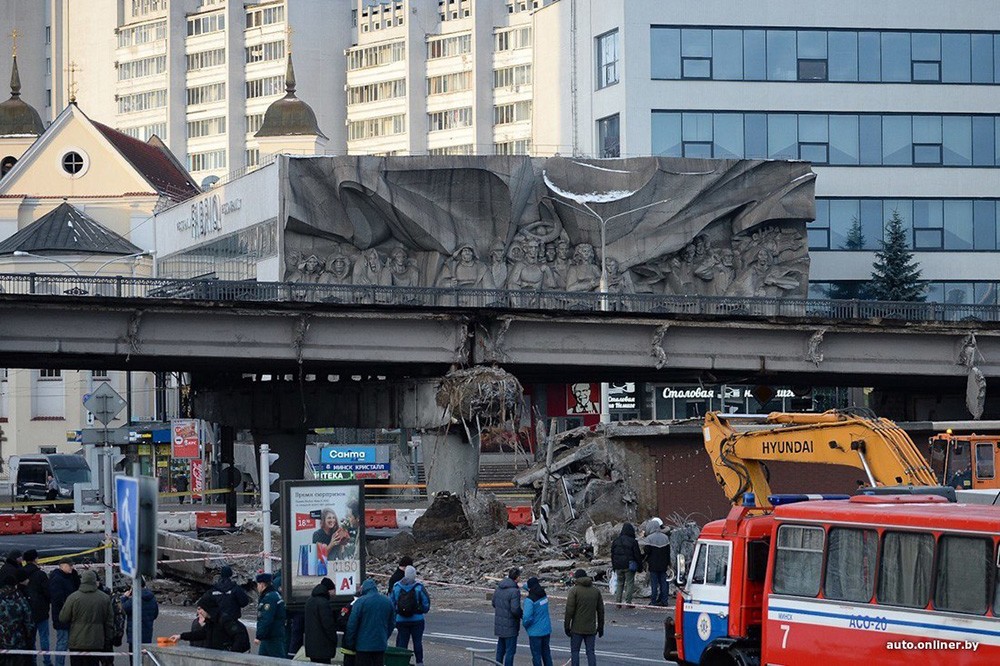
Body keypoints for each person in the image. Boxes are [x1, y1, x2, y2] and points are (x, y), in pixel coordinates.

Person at [58, 569, 113, 666]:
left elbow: (63, 618)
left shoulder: (73, 597)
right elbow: (109, 621)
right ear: (95, 581)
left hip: (77, 641)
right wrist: (108, 639)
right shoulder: (104, 598)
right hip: (96, 640)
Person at [344, 578, 395, 666]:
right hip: (380, 644)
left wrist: (350, 643)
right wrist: (384, 636)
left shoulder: (360, 602)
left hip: (362, 646)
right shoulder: (387, 601)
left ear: (364, 589)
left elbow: (352, 624)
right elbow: (392, 623)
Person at [170, 596, 249, 652]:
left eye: (200, 609)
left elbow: (240, 636)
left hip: (226, 656)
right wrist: (181, 636)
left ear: (207, 608)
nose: (199, 612)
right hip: (216, 655)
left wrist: (232, 654)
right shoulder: (211, 621)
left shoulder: (224, 619)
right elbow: (202, 634)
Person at [390, 565, 430, 666]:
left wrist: (395, 615)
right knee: (417, 642)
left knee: (402, 642)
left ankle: (401, 662)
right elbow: (426, 603)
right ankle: (419, 662)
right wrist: (422, 610)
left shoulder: (397, 586)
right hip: (417, 619)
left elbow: (392, 603)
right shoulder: (419, 587)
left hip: (401, 619)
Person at [564, 569, 605, 666]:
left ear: (576, 579)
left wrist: (566, 626)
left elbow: (569, 611)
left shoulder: (574, 591)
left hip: (576, 628)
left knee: (575, 652)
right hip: (591, 628)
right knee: (590, 652)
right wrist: (600, 627)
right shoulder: (596, 591)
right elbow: (600, 611)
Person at [22, 550, 52, 666]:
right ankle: (47, 661)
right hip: (41, 610)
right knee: (44, 637)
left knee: (31, 638)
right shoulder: (40, 574)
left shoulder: (22, 573)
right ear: (35, 559)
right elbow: (47, 592)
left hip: (27, 610)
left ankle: (32, 661)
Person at [49, 559, 80, 666]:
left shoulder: (68, 577)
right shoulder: (58, 579)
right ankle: (59, 664)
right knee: (62, 643)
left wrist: (75, 575)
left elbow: (76, 588)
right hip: (62, 617)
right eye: (70, 565)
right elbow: (58, 599)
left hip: (67, 616)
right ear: (62, 566)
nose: (72, 567)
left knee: (66, 642)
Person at [0, 572, 33, 666]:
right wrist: (29, 635)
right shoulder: (19, 597)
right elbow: (28, 618)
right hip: (18, 640)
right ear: (15, 585)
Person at [304, 578, 338, 664]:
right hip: (323, 647)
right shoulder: (324, 603)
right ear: (329, 590)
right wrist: (334, 639)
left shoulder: (309, 601)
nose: (334, 593)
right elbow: (328, 625)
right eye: (334, 590)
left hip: (311, 646)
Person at [492, 567, 521, 666]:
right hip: (511, 625)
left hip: (500, 624)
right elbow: (515, 609)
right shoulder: (514, 591)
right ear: (516, 578)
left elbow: (494, 603)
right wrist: (522, 615)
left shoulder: (499, 587)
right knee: (510, 652)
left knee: (500, 650)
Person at [254, 573, 287, 658]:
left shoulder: (269, 598)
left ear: (262, 584)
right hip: (271, 635)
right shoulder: (274, 595)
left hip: (271, 636)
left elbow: (266, 619)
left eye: (258, 584)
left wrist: (259, 636)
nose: (257, 587)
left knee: (277, 661)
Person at [521, 577, 553, 666]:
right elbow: (529, 587)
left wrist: (525, 625)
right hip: (546, 630)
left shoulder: (529, 600)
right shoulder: (543, 595)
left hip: (535, 632)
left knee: (536, 656)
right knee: (546, 654)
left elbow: (527, 617)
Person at [611, 523, 643, 608]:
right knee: (629, 583)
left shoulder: (616, 541)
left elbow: (612, 554)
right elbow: (637, 555)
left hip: (618, 565)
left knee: (619, 583)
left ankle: (618, 602)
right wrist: (640, 566)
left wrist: (614, 566)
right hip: (629, 565)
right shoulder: (633, 541)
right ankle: (628, 602)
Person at [643, 519, 672, 606]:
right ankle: (664, 600)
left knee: (654, 584)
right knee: (664, 583)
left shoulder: (649, 538)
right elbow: (668, 552)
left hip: (653, 565)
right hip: (664, 565)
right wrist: (668, 564)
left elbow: (646, 551)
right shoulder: (665, 537)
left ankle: (653, 601)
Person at [122, 577, 159, 646]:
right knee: (144, 654)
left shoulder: (135, 598)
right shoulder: (152, 598)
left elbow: (123, 609)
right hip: (147, 632)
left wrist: (124, 598)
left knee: (134, 655)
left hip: (134, 633)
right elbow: (155, 614)